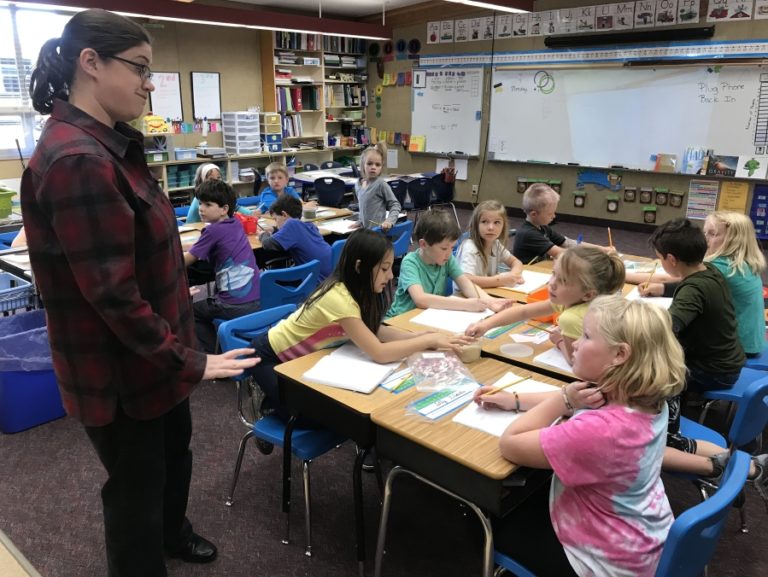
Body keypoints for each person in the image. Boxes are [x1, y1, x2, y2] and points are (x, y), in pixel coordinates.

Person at [21, 10, 257, 577]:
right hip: (122, 375)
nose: (151, 84)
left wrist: (181, 361)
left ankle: (173, 533)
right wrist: (191, 360)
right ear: (91, 63)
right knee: (135, 489)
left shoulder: (110, 146)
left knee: (173, 458)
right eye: (141, 69)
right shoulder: (78, 159)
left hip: (158, 362)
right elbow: (114, 297)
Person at [476, 295, 686, 577]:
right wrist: (514, 399)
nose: (573, 343)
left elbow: (510, 443)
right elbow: (583, 397)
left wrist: (564, 399)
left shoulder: (600, 431)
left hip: (603, 562)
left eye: (586, 336)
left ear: (619, 354)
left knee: (482, 519)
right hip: (642, 538)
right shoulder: (645, 396)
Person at [248, 228, 473, 424]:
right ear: (359, 266)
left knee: (331, 413)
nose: (390, 275)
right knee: (307, 421)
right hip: (270, 357)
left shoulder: (360, 289)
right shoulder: (339, 298)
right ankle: (265, 401)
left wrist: (419, 336)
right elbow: (379, 352)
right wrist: (427, 340)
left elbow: (375, 330)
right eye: (384, 268)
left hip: (304, 358)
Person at [640, 218, 745, 455]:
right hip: (728, 361)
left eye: (660, 257)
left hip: (714, 371)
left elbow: (666, 330)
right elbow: (686, 286)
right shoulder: (709, 270)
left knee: (655, 369)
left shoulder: (693, 290)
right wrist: (663, 289)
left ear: (672, 260)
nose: (660, 261)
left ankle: (670, 436)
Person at [466, 246, 625, 363]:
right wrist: (486, 324)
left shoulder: (572, 317)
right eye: (554, 274)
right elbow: (523, 312)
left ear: (588, 294)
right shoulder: (574, 300)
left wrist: (559, 340)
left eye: (563, 280)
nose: (552, 283)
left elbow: (574, 359)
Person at [641, 211, 766, 357]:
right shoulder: (743, 263)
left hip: (738, 348)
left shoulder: (720, 267)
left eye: (713, 234)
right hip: (752, 341)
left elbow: (682, 280)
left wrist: (622, 273)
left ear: (734, 240)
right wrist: (662, 289)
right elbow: (692, 283)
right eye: (705, 232)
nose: (705, 239)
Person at [385, 210, 509, 319]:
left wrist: (489, 301)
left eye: (452, 247)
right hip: (400, 319)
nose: (449, 253)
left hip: (428, 317)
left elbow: (466, 284)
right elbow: (421, 300)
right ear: (423, 244)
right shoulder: (410, 262)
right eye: (444, 248)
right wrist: (466, 305)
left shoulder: (447, 259)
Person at [184, 179, 261, 353]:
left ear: (224, 209)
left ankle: (214, 356)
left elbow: (185, 260)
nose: (200, 208)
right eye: (200, 203)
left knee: (192, 311)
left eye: (207, 204)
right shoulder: (234, 223)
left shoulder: (212, 230)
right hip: (256, 299)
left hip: (233, 305)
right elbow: (198, 247)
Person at [513, 183, 612, 264]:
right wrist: (594, 257)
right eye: (550, 213)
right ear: (534, 214)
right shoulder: (528, 234)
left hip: (540, 271)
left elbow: (568, 243)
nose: (554, 216)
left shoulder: (543, 227)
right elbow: (561, 253)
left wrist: (601, 249)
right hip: (529, 276)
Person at [454, 199, 524, 293]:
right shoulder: (470, 247)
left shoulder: (496, 244)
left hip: (485, 293)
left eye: (496, 222)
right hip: (465, 298)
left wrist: (513, 276)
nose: (491, 227)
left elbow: (516, 262)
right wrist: (501, 280)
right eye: (484, 222)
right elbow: (466, 279)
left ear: (503, 226)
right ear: (476, 225)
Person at [258, 194, 333, 280]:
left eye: (276, 219)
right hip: (330, 276)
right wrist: (274, 229)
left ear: (284, 214)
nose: (276, 224)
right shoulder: (309, 225)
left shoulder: (291, 224)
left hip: (317, 281)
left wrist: (263, 234)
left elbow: (267, 244)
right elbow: (293, 233)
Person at [353, 142, 401, 231]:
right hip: (365, 232)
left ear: (381, 167)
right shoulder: (358, 184)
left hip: (378, 233)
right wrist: (360, 221)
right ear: (363, 165)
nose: (373, 167)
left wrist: (389, 221)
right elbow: (363, 207)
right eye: (369, 163)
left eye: (377, 165)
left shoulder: (381, 184)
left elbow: (395, 205)